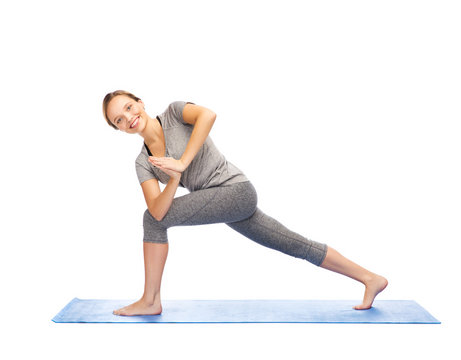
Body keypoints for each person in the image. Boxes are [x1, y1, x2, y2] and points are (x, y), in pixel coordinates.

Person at [102, 90, 388, 316]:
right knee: (293, 243)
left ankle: (151, 300)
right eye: (119, 120)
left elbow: (208, 115)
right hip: (221, 203)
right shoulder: (144, 163)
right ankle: (370, 278)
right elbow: (159, 209)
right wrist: (175, 178)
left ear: (140, 102)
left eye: (128, 107)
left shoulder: (175, 113)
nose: (128, 117)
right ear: (119, 130)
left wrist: (181, 163)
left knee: (150, 221)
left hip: (236, 191)